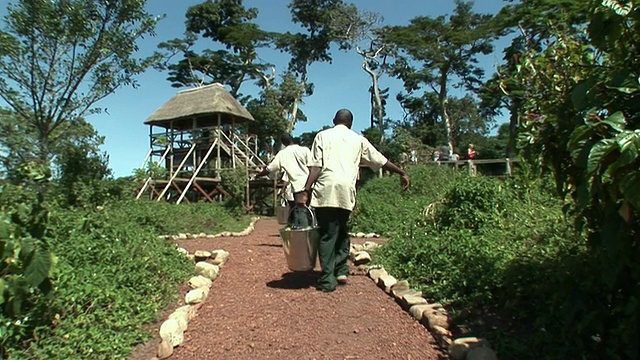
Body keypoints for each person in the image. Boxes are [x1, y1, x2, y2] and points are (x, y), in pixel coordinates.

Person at [297, 109, 410, 292]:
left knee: (327, 234)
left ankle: (327, 280)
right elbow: (380, 160)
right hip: (346, 191)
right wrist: (401, 172)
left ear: (334, 120)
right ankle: (341, 269)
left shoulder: (323, 136)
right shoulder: (358, 139)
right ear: (351, 123)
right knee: (342, 229)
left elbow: (316, 167)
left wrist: (306, 189)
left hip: (326, 189)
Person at [255, 134, 312, 227]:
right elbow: (311, 167)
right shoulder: (305, 150)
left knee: (300, 211)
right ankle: (311, 233)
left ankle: (301, 235)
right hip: (309, 184)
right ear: (292, 139)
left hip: (298, 186)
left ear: (283, 143)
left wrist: (258, 175)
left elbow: (269, 169)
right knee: (308, 210)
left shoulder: (282, 154)